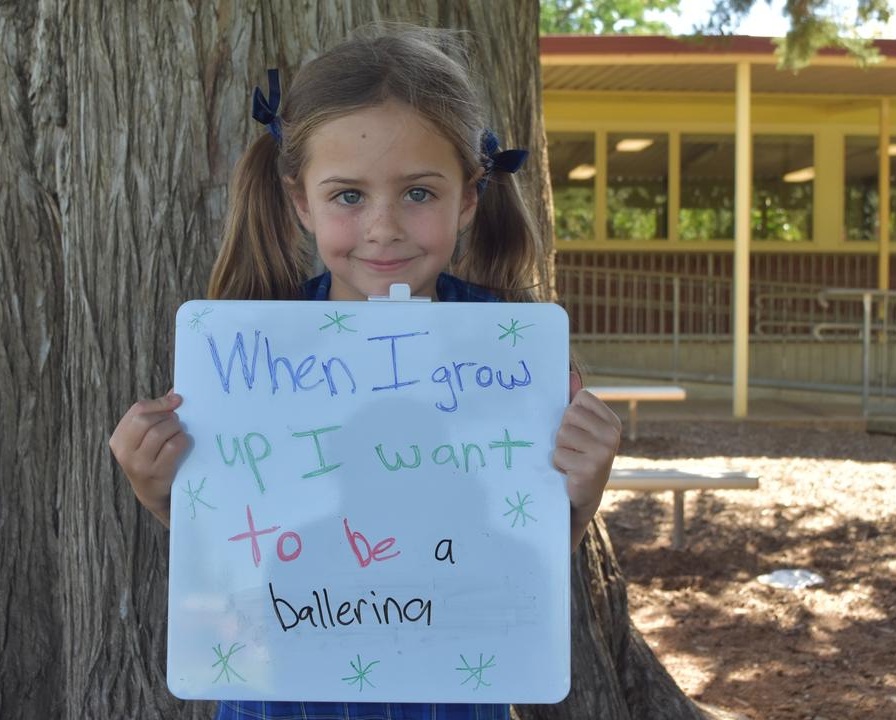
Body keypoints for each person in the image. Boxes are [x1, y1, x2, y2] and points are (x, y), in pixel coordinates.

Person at [109, 25, 622, 720]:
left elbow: (522, 550)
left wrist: (584, 491)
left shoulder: (512, 354)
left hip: (449, 692)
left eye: (418, 193)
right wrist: (161, 491)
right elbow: (233, 545)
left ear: (468, 197)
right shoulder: (250, 355)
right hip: (287, 694)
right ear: (301, 202)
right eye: (348, 196)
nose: (383, 227)